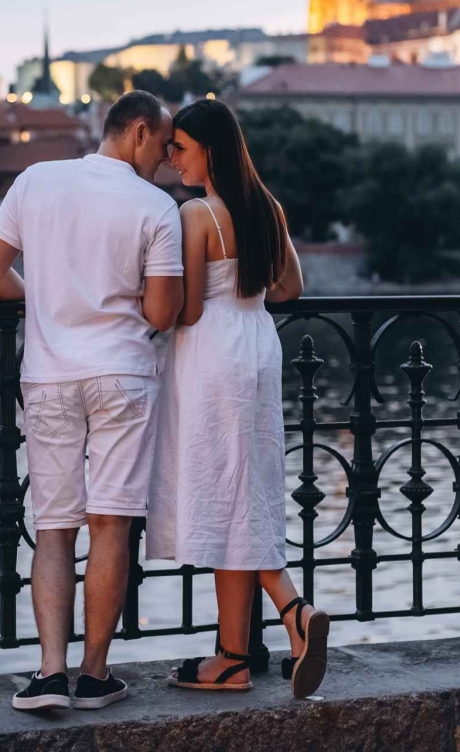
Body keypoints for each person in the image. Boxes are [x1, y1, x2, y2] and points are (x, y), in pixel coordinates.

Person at [0, 90, 184, 712]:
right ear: (139, 131)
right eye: (165, 144)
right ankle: (94, 676)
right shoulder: (157, 206)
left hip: (49, 375)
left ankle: (48, 675)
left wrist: (42, 303)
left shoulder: (35, 180)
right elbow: (161, 311)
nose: (169, 158)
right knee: (111, 522)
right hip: (121, 373)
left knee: (54, 527)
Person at [145, 98, 330, 699]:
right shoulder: (266, 206)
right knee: (245, 488)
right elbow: (291, 286)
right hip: (258, 343)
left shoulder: (197, 213)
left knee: (225, 491)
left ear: (210, 151)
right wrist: (245, 287)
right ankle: (232, 655)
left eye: (182, 149)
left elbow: (190, 309)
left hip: (213, 352)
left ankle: (292, 612)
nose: (172, 160)